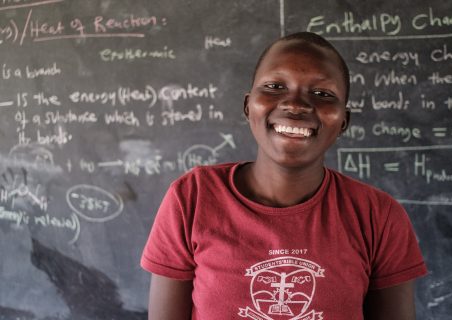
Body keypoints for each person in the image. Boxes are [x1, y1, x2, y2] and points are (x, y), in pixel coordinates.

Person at [141, 32, 428, 320]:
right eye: (275, 86)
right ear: (247, 106)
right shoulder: (192, 198)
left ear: (343, 122)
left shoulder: (378, 216)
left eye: (322, 94)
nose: (296, 105)